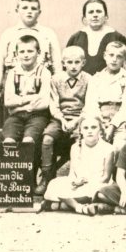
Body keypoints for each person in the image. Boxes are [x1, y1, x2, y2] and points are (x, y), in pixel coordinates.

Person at [37, 46, 91, 195]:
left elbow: (89, 105)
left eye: (77, 62)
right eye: (70, 62)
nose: (73, 66)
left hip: (81, 119)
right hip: (60, 119)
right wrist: (62, 120)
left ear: (83, 63)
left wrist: (77, 121)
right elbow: (53, 105)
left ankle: (75, 179)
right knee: (47, 139)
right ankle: (47, 178)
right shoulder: (56, 79)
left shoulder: (89, 79)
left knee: (80, 143)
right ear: (63, 63)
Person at [0, 0, 61, 109]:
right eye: (24, 8)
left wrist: (58, 87)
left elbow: (57, 63)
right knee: (13, 122)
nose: (29, 12)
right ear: (17, 10)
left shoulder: (48, 33)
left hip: (41, 86)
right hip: (14, 86)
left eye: (33, 8)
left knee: (39, 121)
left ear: (39, 12)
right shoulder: (9, 34)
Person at [1, 34, 52, 178]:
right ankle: (13, 180)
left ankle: (30, 178)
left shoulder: (44, 73)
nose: (26, 55)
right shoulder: (13, 73)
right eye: (22, 52)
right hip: (16, 117)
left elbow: (44, 103)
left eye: (30, 51)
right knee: (9, 141)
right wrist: (29, 101)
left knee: (28, 141)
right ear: (16, 55)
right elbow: (8, 101)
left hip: (37, 117)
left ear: (38, 53)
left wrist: (18, 102)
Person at [42, 115, 114, 216]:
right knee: (54, 183)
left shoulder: (108, 148)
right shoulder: (75, 147)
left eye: (93, 127)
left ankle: (64, 204)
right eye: (86, 128)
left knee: (97, 190)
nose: (90, 131)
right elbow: (72, 174)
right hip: (78, 184)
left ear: (100, 130)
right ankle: (79, 207)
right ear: (81, 131)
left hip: (96, 183)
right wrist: (75, 182)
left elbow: (106, 177)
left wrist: (89, 182)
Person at [83, 41, 126, 149]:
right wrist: (100, 123)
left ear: (124, 59)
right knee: (94, 145)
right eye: (111, 55)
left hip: (121, 121)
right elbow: (91, 104)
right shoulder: (96, 78)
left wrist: (112, 125)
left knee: (119, 147)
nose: (114, 59)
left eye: (119, 56)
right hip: (99, 118)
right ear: (105, 56)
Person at [67, 0, 126, 75]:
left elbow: (124, 66)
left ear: (106, 16)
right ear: (84, 18)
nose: (95, 15)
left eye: (99, 11)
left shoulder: (117, 38)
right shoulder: (75, 38)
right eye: (91, 12)